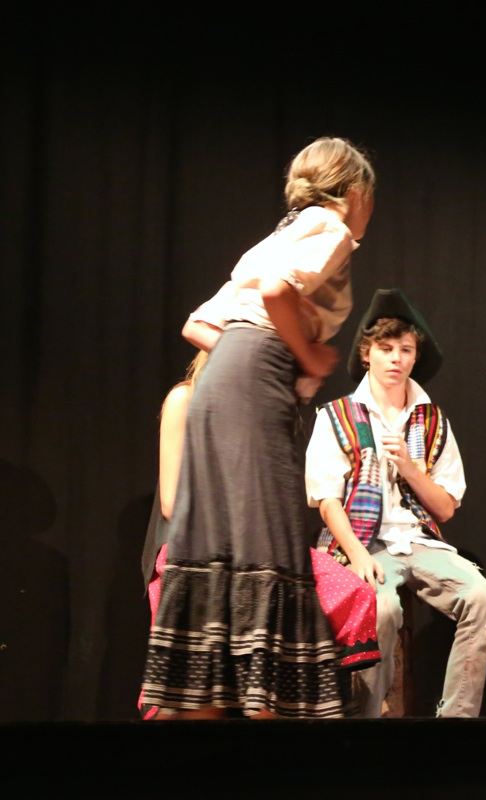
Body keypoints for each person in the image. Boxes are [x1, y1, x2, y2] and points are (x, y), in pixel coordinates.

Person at [140, 136, 376, 718]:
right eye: (371, 195)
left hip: (223, 382)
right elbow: (276, 293)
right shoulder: (329, 226)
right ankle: (268, 711)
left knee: (219, 542)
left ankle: (205, 702)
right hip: (253, 383)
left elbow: (198, 325)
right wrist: (307, 355)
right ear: (354, 192)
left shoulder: (280, 234)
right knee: (265, 541)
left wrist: (256, 357)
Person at [307, 289, 486, 718]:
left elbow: (445, 508)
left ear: (415, 357)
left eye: (405, 350)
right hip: (362, 543)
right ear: (367, 354)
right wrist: (357, 555)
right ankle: (368, 719)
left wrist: (412, 469)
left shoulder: (432, 420)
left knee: (482, 598)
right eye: (386, 348)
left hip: (418, 541)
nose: (396, 358)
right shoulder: (338, 416)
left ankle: (457, 718)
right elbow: (326, 500)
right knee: (382, 608)